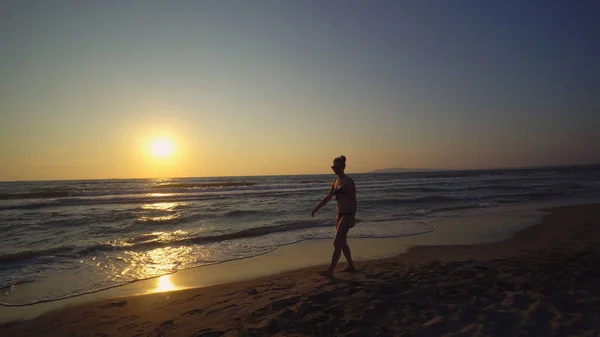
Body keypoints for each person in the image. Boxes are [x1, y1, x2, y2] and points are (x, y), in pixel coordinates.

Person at [311, 155, 357, 277]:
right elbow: (328, 197)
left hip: (347, 215)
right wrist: (316, 208)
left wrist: (353, 217)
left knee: (337, 242)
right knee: (342, 242)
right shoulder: (335, 182)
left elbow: (353, 200)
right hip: (339, 215)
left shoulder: (348, 181)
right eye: (333, 167)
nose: (334, 169)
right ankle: (351, 266)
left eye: (336, 166)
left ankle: (330, 270)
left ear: (342, 167)